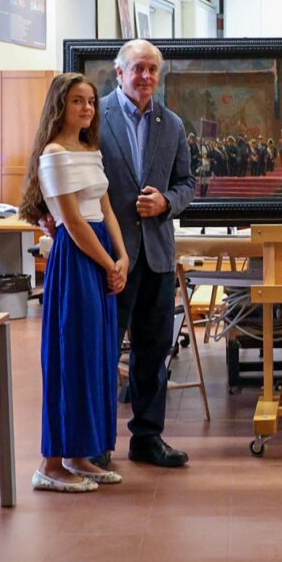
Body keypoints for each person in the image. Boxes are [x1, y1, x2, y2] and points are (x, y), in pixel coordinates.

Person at [87, 39, 196, 468]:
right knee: (105, 349)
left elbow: (187, 183)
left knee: (153, 352)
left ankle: (148, 437)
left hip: (156, 257)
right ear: (119, 72)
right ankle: (97, 441)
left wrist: (167, 202)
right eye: (137, 69)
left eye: (152, 69)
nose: (146, 76)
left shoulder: (171, 124)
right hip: (109, 255)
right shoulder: (95, 118)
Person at [19, 73, 126, 492]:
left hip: (101, 253)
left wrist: (123, 256)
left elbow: (106, 209)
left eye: (91, 102)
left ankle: (80, 454)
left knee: (96, 355)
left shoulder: (89, 148)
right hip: (78, 256)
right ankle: (51, 464)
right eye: (78, 101)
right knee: (71, 354)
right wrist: (107, 264)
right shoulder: (55, 154)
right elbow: (74, 221)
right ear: (60, 106)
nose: (87, 108)